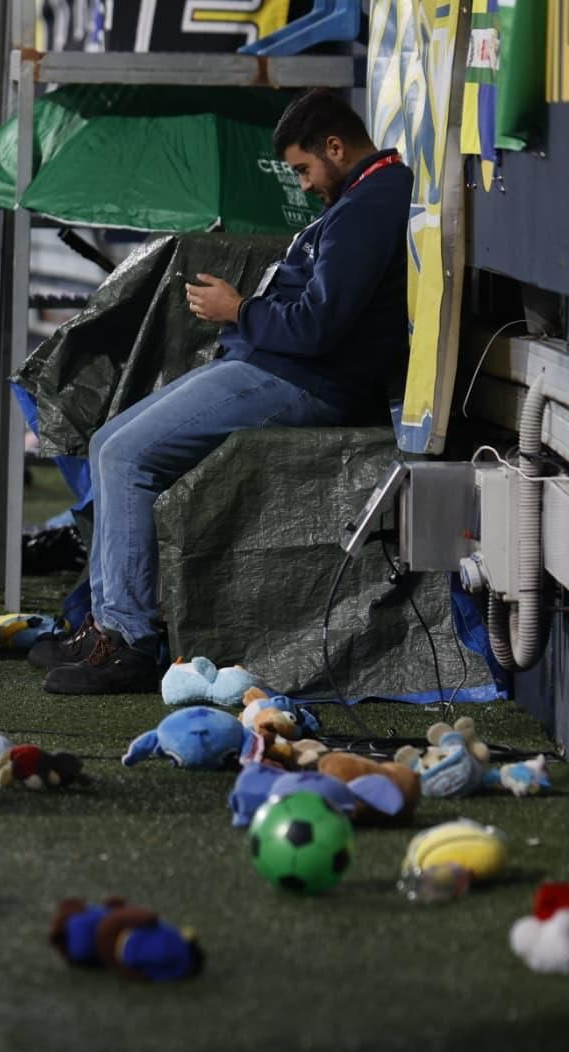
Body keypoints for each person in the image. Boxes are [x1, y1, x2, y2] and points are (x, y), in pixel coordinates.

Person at [32, 88, 413, 695]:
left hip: (303, 381)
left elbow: (319, 326)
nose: (304, 184)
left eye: (303, 168)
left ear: (335, 147)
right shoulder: (364, 196)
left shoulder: (373, 202)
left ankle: (128, 641)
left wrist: (239, 310)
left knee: (126, 456)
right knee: (108, 440)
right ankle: (106, 626)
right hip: (278, 367)